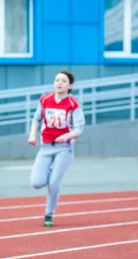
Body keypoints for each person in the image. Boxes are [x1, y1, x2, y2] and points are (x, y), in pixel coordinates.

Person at [28, 70, 86, 227]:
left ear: (70, 85)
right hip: (45, 146)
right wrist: (32, 135)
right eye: (57, 80)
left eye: (63, 81)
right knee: (37, 183)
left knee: (53, 184)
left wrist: (66, 136)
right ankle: (49, 172)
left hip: (63, 148)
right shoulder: (45, 100)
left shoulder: (73, 105)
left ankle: (49, 214)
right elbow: (36, 119)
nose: (59, 83)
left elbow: (78, 129)